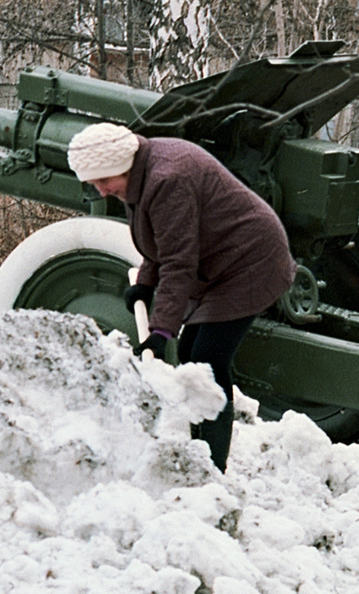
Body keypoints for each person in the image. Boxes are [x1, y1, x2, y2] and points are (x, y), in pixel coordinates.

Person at [63, 121, 295, 471]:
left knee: (208, 362)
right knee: (191, 355)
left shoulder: (167, 179)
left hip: (249, 261)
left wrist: (160, 333)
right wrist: (145, 281)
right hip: (220, 258)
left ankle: (213, 467)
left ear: (120, 167)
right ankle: (200, 447)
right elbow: (161, 239)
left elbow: (178, 261)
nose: (101, 190)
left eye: (102, 181)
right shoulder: (141, 171)